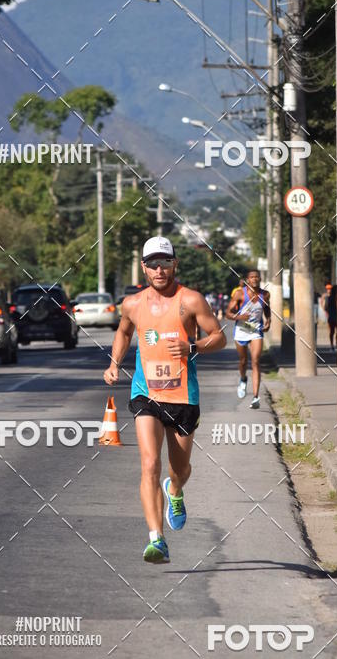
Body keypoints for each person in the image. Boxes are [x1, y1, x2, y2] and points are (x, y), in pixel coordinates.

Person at [103, 236, 226, 563]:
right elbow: (124, 332)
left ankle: (175, 489)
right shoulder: (133, 304)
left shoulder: (191, 300)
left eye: (165, 263)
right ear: (144, 268)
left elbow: (219, 337)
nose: (159, 270)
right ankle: (156, 538)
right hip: (146, 394)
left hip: (183, 396)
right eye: (153, 264)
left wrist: (192, 347)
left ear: (175, 264)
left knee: (179, 469)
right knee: (149, 464)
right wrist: (114, 363)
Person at [225, 269, 271, 408]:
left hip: (256, 330)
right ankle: (243, 379)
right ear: (247, 280)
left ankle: (255, 397)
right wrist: (239, 317)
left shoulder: (265, 294)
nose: (255, 279)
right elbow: (228, 313)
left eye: (257, 277)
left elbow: (267, 308)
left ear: (260, 279)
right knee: (243, 361)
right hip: (242, 329)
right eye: (252, 277)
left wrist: (268, 321)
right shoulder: (240, 294)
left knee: (256, 361)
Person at [327, 283, 337, 351]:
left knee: (331, 332)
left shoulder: (329, 298)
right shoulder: (335, 298)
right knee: (335, 332)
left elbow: (327, 308)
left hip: (331, 317)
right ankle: (335, 345)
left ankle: (332, 345)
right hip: (335, 317)